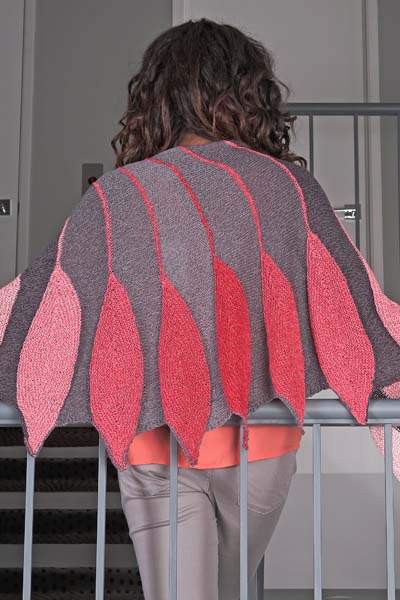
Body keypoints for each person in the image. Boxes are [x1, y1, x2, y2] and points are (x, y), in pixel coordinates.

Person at [112, 17, 304, 600]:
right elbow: (332, 300)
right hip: (260, 439)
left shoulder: (125, 192)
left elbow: (82, 303)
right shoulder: (285, 190)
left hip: (153, 435)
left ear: (157, 96)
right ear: (250, 92)